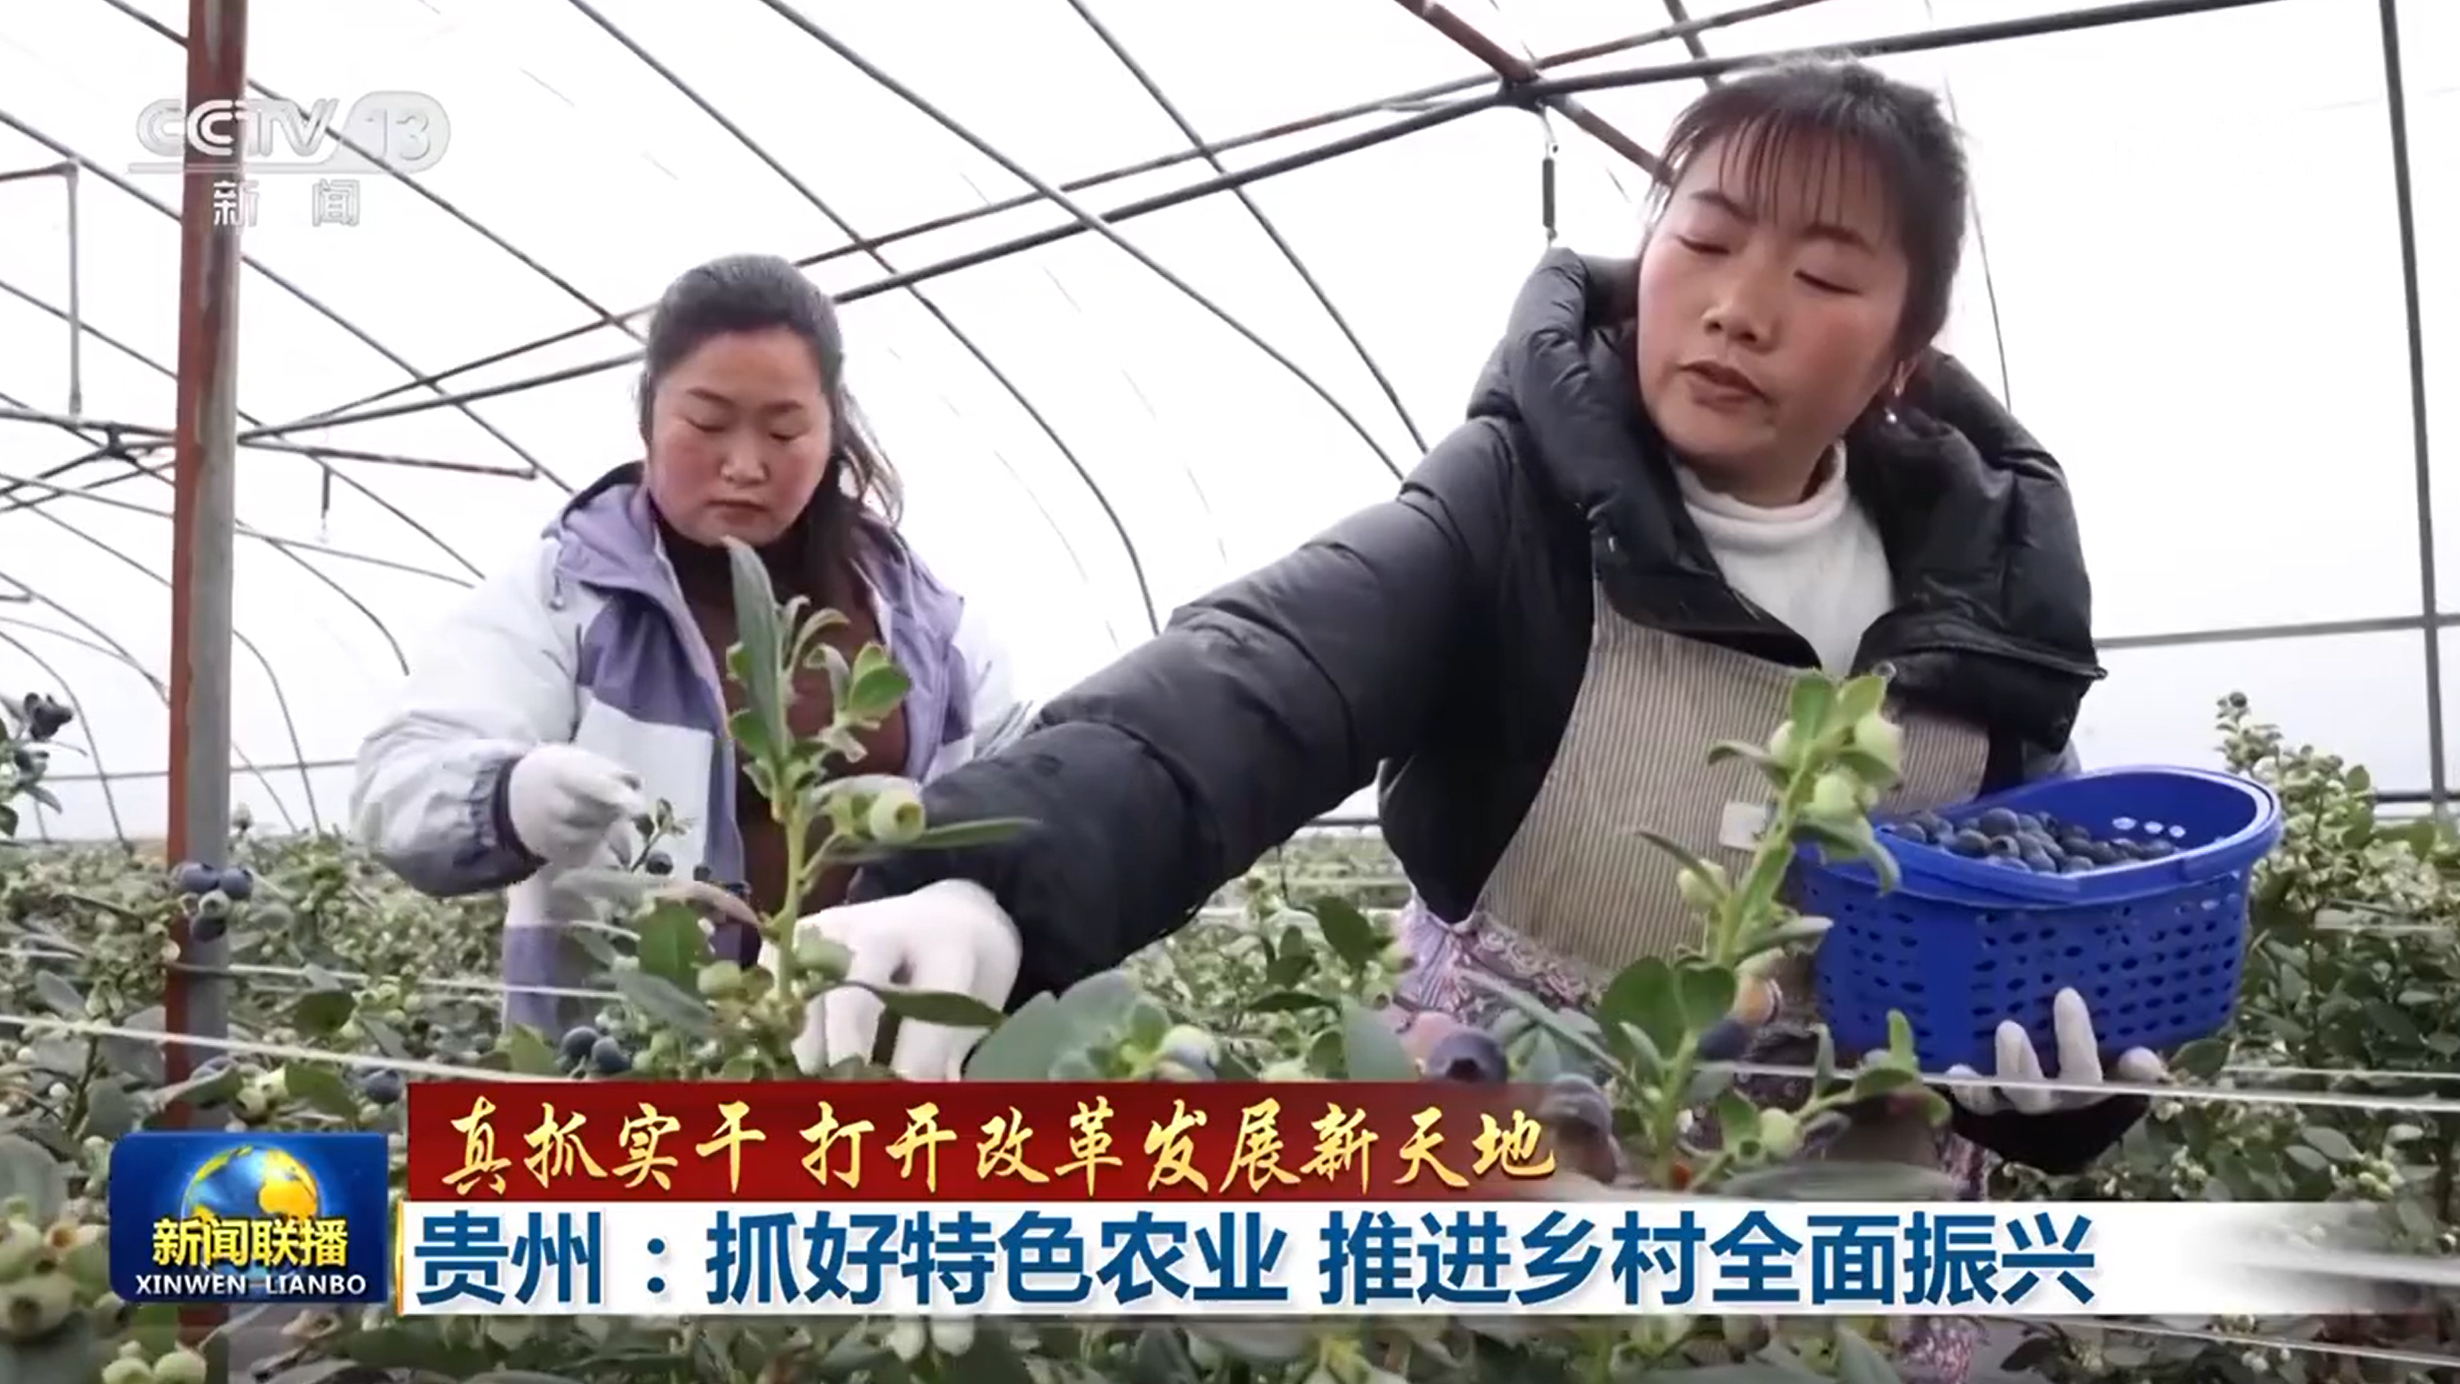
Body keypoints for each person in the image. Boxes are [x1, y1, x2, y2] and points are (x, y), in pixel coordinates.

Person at [349, 253, 1031, 1038]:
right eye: (707, 424)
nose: (744, 465)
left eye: (784, 430)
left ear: (831, 430)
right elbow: (399, 779)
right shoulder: (568, 596)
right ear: (648, 414)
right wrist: (506, 798)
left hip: (866, 1076)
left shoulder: (926, 627)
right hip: (630, 1070)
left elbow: (1024, 797)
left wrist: (979, 901)